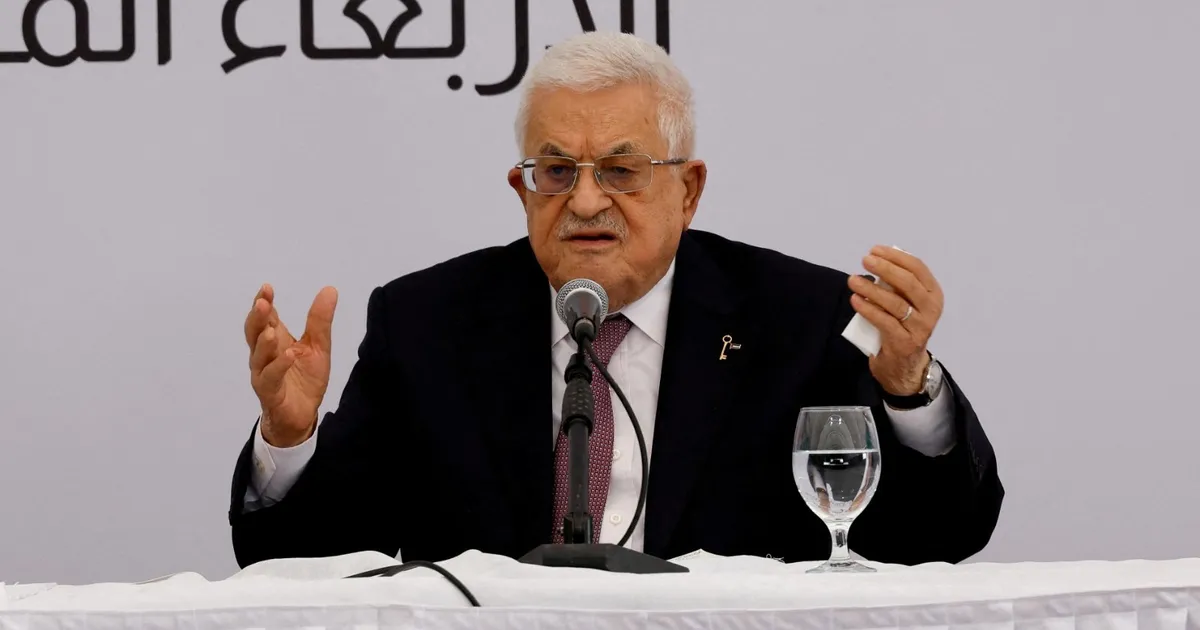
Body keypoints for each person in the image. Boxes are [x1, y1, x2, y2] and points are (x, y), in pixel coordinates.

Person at [230, 31, 1003, 568]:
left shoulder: (799, 320)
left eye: (622, 171)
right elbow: (309, 567)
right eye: (556, 172)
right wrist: (290, 441)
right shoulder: (425, 323)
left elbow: (940, 539)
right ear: (522, 189)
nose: (586, 201)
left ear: (688, 191)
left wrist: (909, 391)